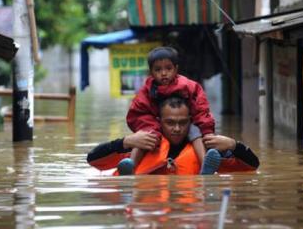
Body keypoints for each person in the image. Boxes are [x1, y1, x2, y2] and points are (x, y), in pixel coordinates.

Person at [87, 96, 259, 175]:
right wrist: (125, 141)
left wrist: (233, 145)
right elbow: (93, 159)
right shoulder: (143, 144)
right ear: (159, 121)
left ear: (191, 122)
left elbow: (252, 166)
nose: (177, 128)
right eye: (170, 123)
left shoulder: (206, 152)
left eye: (183, 123)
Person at [124, 46, 216, 174]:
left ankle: (205, 165)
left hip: (185, 124)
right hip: (155, 123)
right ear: (151, 72)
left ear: (176, 69)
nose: (163, 73)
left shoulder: (188, 86)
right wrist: (146, 126)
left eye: (168, 68)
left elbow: (201, 108)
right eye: (158, 69)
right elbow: (137, 112)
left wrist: (207, 131)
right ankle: (130, 165)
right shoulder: (146, 91)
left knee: (196, 132)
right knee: (146, 136)